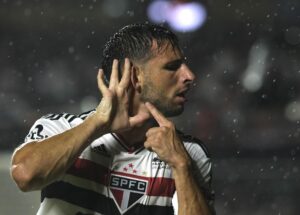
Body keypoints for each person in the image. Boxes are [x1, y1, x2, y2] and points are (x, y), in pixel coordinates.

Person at [11, 23, 215, 215]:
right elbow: (25, 176)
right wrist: (97, 124)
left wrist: (180, 164)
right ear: (136, 76)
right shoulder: (59, 127)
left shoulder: (188, 153)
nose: (189, 75)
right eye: (172, 67)